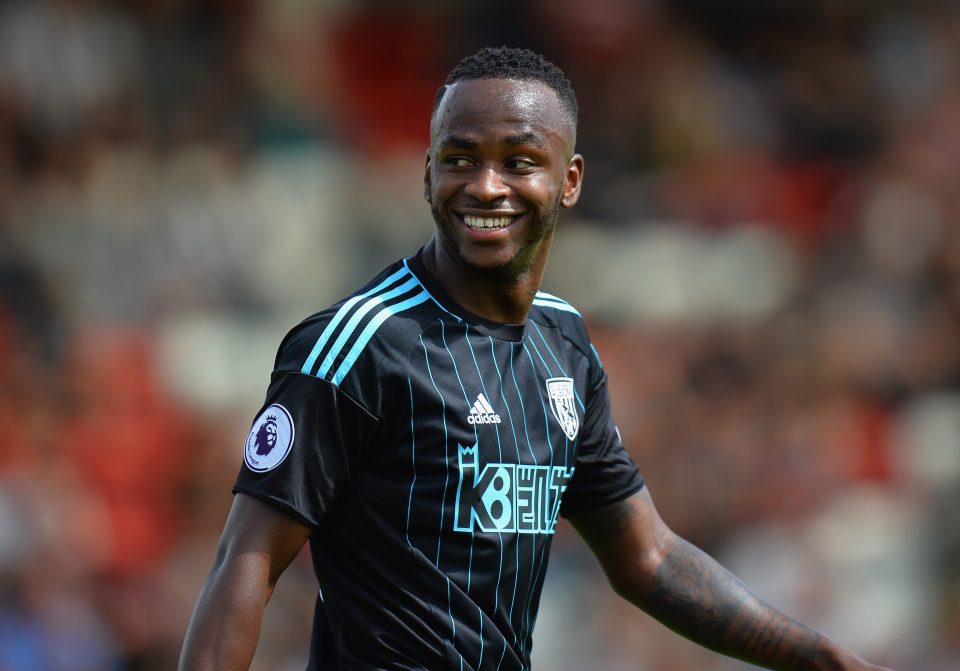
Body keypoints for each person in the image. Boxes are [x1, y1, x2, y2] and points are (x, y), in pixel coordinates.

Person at [179, 47, 895, 671]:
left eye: (519, 161)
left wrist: (821, 656)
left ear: (571, 178)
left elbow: (646, 557)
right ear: (428, 173)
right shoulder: (358, 344)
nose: (486, 186)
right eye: (459, 159)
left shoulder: (564, 345)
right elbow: (245, 563)